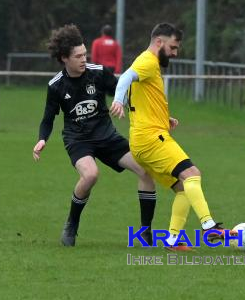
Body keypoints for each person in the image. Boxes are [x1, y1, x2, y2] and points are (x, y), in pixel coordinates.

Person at [33, 24, 157, 247]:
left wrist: (151, 114)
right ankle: (72, 223)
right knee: (90, 175)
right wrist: (42, 139)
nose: (83, 59)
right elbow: (48, 118)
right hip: (78, 140)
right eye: (78, 56)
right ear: (64, 58)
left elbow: (126, 91)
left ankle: (145, 232)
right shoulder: (56, 86)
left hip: (107, 137)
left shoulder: (98, 73)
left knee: (146, 170)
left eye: (85, 54)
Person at [110, 22, 225, 251]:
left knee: (183, 188)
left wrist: (164, 117)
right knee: (192, 174)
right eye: (173, 47)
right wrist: (117, 100)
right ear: (159, 42)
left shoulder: (148, 63)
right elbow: (124, 78)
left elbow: (143, 98)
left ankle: (173, 240)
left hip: (145, 137)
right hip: (150, 138)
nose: (175, 53)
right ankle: (209, 226)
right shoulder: (147, 61)